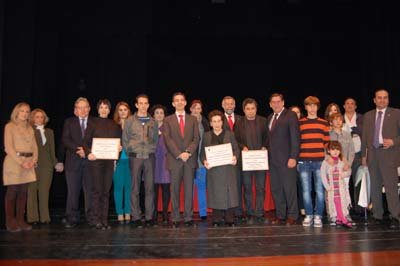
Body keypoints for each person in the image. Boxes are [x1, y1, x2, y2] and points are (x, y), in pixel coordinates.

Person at [361, 89, 400, 228]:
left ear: (388, 100)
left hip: (389, 155)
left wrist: (394, 141)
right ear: (374, 100)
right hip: (373, 155)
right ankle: (377, 216)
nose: (382, 100)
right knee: (375, 188)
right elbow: (365, 137)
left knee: (391, 188)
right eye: (379, 97)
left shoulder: (396, 113)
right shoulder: (368, 115)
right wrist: (364, 156)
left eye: (385, 98)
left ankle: (395, 217)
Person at [83, 99, 121, 229]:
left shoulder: (115, 125)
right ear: (98, 109)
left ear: (109, 110)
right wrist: (89, 153)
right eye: (101, 107)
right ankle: (95, 219)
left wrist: (118, 151)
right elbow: (85, 142)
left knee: (106, 191)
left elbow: (118, 143)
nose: (104, 110)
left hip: (109, 162)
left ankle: (104, 219)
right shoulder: (92, 123)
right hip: (96, 162)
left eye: (106, 108)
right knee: (97, 191)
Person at [163, 92, 200, 227]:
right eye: (176, 100)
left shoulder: (193, 119)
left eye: (181, 100)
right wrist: (179, 154)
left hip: (189, 160)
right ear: (173, 104)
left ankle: (189, 217)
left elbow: (196, 139)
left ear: (185, 103)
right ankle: (176, 217)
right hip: (175, 159)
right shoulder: (167, 120)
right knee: (175, 190)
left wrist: (188, 152)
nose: (179, 102)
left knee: (189, 190)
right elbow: (167, 140)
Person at [123, 94, 158, 228]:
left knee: (149, 189)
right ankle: (136, 216)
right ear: (136, 105)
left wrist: (151, 150)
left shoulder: (153, 122)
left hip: (149, 157)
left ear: (148, 105)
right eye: (141, 103)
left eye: (146, 103)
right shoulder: (130, 121)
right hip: (135, 157)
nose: (143, 106)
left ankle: (149, 217)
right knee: (135, 188)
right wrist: (131, 152)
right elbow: (125, 140)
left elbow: (155, 139)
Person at [201, 110, 239, 227]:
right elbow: (202, 153)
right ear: (211, 123)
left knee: (229, 193)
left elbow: (236, 149)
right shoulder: (206, 136)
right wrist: (204, 161)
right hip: (214, 170)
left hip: (228, 169)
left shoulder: (230, 134)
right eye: (214, 121)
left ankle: (229, 218)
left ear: (222, 122)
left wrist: (235, 157)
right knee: (215, 193)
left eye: (219, 121)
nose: (217, 124)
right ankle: (216, 218)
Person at [3, 102, 38, 232]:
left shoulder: (30, 128)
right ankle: (10, 221)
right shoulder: (9, 126)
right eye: (22, 111)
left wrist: (33, 160)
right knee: (12, 192)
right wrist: (21, 162)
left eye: (27, 111)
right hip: (14, 162)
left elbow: (35, 147)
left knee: (23, 193)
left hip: (29, 163)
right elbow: (8, 147)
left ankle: (20, 220)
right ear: (16, 112)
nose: (25, 113)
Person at [234, 98, 268, 224]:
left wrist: (265, 146)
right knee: (247, 188)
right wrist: (243, 147)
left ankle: (259, 211)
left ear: (256, 109)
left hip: (260, 161)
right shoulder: (238, 123)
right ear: (244, 110)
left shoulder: (263, 121)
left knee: (260, 188)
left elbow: (267, 138)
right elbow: (235, 139)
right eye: (248, 109)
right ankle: (249, 211)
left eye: (252, 108)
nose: (250, 111)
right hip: (246, 161)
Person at [61, 97, 95, 228]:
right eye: (80, 107)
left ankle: (91, 218)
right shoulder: (69, 122)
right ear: (75, 110)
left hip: (90, 163)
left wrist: (86, 151)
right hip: (73, 162)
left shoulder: (94, 123)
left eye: (85, 107)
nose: (82, 110)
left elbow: (97, 140)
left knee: (90, 192)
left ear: (89, 108)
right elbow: (65, 140)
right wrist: (78, 150)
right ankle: (71, 218)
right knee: (73, 192)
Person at [267, 93, 300, 225]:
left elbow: (295, 138)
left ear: (283, 102)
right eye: (273, 102)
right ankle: (280, 215)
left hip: (287, 160)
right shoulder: (270, 117)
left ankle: (293, 215)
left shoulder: (290, 115)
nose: (276, 104)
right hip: (272, 160)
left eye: (278, 101)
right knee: (276, 188)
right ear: (270, 104)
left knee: (289, 188)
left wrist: (293, 157)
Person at [298, 96, 330, 227]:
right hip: (303, 161)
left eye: (314, 105)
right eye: (309, 105)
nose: (312, 108)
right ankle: (309, 215)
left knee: (320, 190)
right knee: (306, 190)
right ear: (305, 107)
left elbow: (327, 143)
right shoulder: (300, 123)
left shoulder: (324, 123)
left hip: (320, 162)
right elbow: (297, 142)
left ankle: (318, 215)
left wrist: (328, 158)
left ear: (318, 107)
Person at [27, 108, 61, 225]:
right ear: (32, 118)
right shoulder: (28, 130)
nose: (40, 119)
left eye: (42, 117)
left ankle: (45, 217)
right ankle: (32, 218)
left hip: (47, 166)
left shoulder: (50, 132)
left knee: (44, 191)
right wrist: (30, 161)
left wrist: (55, 163)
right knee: (32, 191)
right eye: (37, 117)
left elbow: (52, 150)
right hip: (33, 164)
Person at [221, 96, 244, 223]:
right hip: (223, 159)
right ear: (223, 106)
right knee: (225, 186)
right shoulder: (218, 119)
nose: (229, 106)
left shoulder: (241, 119)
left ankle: (238, 211)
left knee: (238, 185)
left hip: (238, 158)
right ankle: (225, 211)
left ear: (235, 105)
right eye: (227, 104)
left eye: (231, 104)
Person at [320, 141, 352, 228]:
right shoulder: (326, 162)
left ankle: (339, 218)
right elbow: (322, 175)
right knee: (335, 203)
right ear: (329, 151)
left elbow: (349, 171)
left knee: (341, 203)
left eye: (337, 149)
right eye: (333, 149)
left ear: (340, 151)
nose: (335, 151)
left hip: (341, 188)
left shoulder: (342, 160)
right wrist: (327, 186)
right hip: (332, 188)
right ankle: (343, 219)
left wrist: (343, 174)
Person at [190, 100, 210, 220]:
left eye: (199, 108)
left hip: (202, 160)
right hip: (188, 160)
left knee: (202, 187)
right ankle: (189, 212)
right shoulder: (186, 122)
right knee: (190, 188)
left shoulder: (205, 123)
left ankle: (203, 213)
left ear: (201, 110)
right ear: (190, 109)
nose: (196, 110)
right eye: (194, 108)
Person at [112, 101, 132, 224]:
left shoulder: (134, 125)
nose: (123, 112)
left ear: (128, 111)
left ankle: (128, 211)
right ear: (117, 112)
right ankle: (120, 212)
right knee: (118, 188)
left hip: (131, 161)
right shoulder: (112, 126)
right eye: (120, 110)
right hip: (117, 161)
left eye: (125, 109)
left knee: (130, 188)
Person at [342, 97, 363, 210]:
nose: (350, 105)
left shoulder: (362, 118)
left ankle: (359, 208)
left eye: (352, 103)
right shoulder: (340, 119)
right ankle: (345, 208)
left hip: (358, 154)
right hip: (343, 156)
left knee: (358, 181)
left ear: (355, 106)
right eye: (347, 103)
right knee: (344, 183)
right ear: (344, 106)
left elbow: (366, 136)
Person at [151, 105, 171, 224]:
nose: (159, 115)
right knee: (152, 190)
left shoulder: (168, 128)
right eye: (157, 113)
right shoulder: (149, 127)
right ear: (153, 115)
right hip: (152, 161)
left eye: (161, 113)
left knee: (165, 189)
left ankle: (164, 214)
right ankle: (153, 214)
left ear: (164, 115)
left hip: (165, 161)